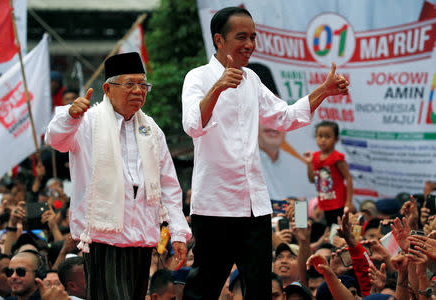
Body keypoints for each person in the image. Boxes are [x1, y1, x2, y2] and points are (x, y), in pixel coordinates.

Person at [181, 6, 349, 299]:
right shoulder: (198, 78)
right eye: (241, 37)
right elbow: (193, 125)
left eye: (253, 37)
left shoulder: (252, 80)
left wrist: (323, 90)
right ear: (219, 40)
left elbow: (284, 116)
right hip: (215, 206)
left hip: (254, 206)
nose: (249, 45)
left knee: (259, 288)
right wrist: (218, 87)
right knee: (204, 288)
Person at [45, 52, 191, 300]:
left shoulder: (151, 129)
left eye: (143, 84)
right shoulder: (87, 121)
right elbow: (55, 139)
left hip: (142, 240)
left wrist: (177, 232)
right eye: (130, 84)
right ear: (107, 88)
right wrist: (70, 116)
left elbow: (168, 185)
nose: (138, 90)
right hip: (104, 239)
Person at [303, 121, 354, 226]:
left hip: (338, 203)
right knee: (328, 230)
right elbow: (312, 180)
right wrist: (309, 164)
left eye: (327, 137)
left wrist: (349, 201)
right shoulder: (315, 157)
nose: (323, 140)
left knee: (339, 229)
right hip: (324, 203)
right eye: (320, 136)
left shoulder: (337, 157)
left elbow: (348, 178)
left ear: (336, 139)